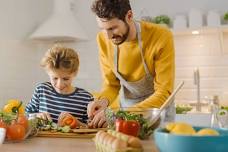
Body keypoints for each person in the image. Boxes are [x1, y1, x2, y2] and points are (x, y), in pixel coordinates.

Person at [87, 0, 175, 128]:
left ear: (129, 16)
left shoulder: (160, 36)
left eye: (113, 28)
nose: (108, 36)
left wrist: (120, 113)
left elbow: (163, 93)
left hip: (158, 112)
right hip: (125, 112)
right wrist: (103, 101)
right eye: (103, 29)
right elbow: (111, 85)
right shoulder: (103, 39)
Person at [26, 45, 93, 125]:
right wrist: (36, 116)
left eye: (65, 79)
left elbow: (92, 127)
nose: (59, 85)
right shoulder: (42, 90)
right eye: (55, 78)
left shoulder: (86, 98)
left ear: (75, 73)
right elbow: (25, 115)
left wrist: (77, 123)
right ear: (48, 73)